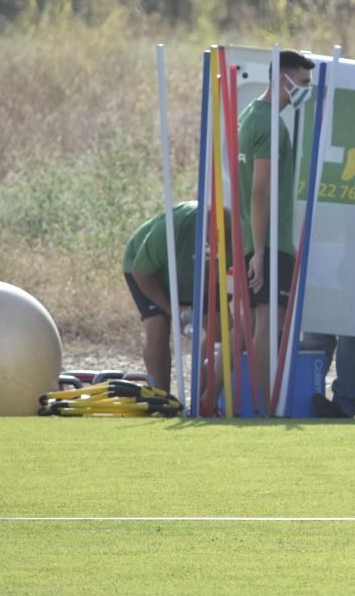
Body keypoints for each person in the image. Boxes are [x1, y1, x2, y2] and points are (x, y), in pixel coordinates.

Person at [238, 49, 315, 411]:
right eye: (302, 82)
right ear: (282, 78)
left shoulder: (249, 115)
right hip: (269, 240)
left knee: (260, 327)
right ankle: (265, 406)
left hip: (260, 238)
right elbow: (259, 189)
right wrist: (261, 250)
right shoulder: (268, 123)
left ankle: (246, 401)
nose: (306, 90)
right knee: (270, 327)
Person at [123, 201, 225, 393]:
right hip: (148, 273)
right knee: (158, 326)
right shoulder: (171, 229)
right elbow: (141, 272)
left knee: (220, 330)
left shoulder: (235, 231)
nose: (215, 245)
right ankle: (161, 398)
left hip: (196, 277)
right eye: (211, 240)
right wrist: (172, 309)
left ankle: (203, 398)